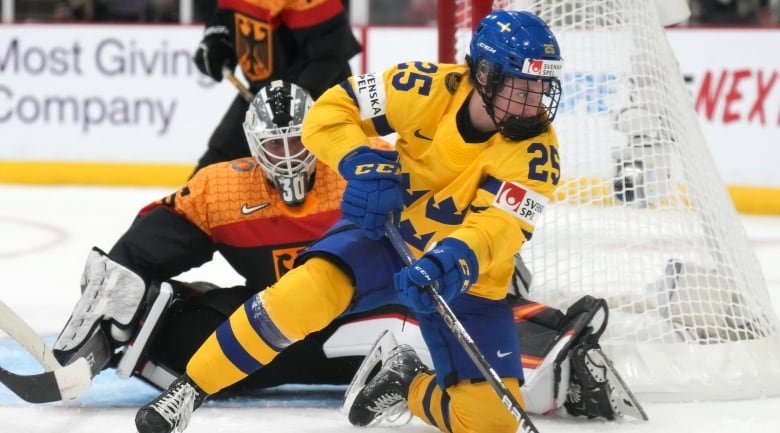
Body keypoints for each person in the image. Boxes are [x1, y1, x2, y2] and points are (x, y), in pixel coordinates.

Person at [133, 10, 643, 433]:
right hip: (387, 236)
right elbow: (329, 111)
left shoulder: (538, 154)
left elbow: (500, 229)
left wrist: (453, 258)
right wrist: (358, 160)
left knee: (491, 423)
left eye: (541, 86)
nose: (535, 101)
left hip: (469, 277)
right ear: (483, 76)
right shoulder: (423, 86)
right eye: (521, 86)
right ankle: (191, 390)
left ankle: (404, 381)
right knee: (300, 296)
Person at [191, 0, 361, 173]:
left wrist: (299, 99)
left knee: (319, 179)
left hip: (318, 98)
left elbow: (331, 50)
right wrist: (217, 39)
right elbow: (225, 14)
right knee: (215, 165)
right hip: (262, 93)